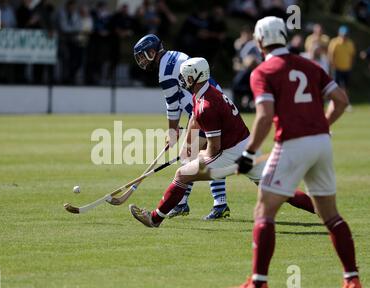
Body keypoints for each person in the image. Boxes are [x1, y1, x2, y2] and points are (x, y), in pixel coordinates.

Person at [226, 16, 361, 288]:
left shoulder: (262, 71)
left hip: (292, 145)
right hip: (322, 144)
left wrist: (249, 154)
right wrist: (322, 126)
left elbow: (264, 118)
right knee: (331, 215)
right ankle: (352, 279)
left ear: (260, 40)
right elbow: (341, 101)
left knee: (264, 210)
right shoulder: (311, 66)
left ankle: (258, 282)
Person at [129, 57, 316, 228]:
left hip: (230, 152)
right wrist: (188, 148)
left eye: (185, 76)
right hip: (246, 146)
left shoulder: (207, 106)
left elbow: (214, 149)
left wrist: (199, 155)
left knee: (181, 175)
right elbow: (194, 118)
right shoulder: (204, 91)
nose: (182, 80)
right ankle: (324, 211)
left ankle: (154, 219)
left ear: (195, 76)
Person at [133, 34, 232, 220]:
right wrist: (177, 128)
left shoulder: (164, 72)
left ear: (152, 52)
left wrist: (172, 131)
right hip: (211, 108)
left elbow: (172, 104)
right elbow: (181, 97)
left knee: (193, 158)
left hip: (208, 111)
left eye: (141, 56)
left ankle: (196, 204)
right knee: (198, 158)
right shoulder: (175, 56)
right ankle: (207, 204)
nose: (140, 61)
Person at [328, 26, 355, 95]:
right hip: (336, 68)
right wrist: (332, 66)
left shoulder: (350, 43)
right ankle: (335, 100)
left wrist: (350, 65)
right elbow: (331, 55)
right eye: (343, 35)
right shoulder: (334, 42)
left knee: (346, 86)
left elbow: (352, 56)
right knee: (335, 86)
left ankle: (346, 101)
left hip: (347, 68)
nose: (345, 36)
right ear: (339, 34)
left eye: (346, 35)